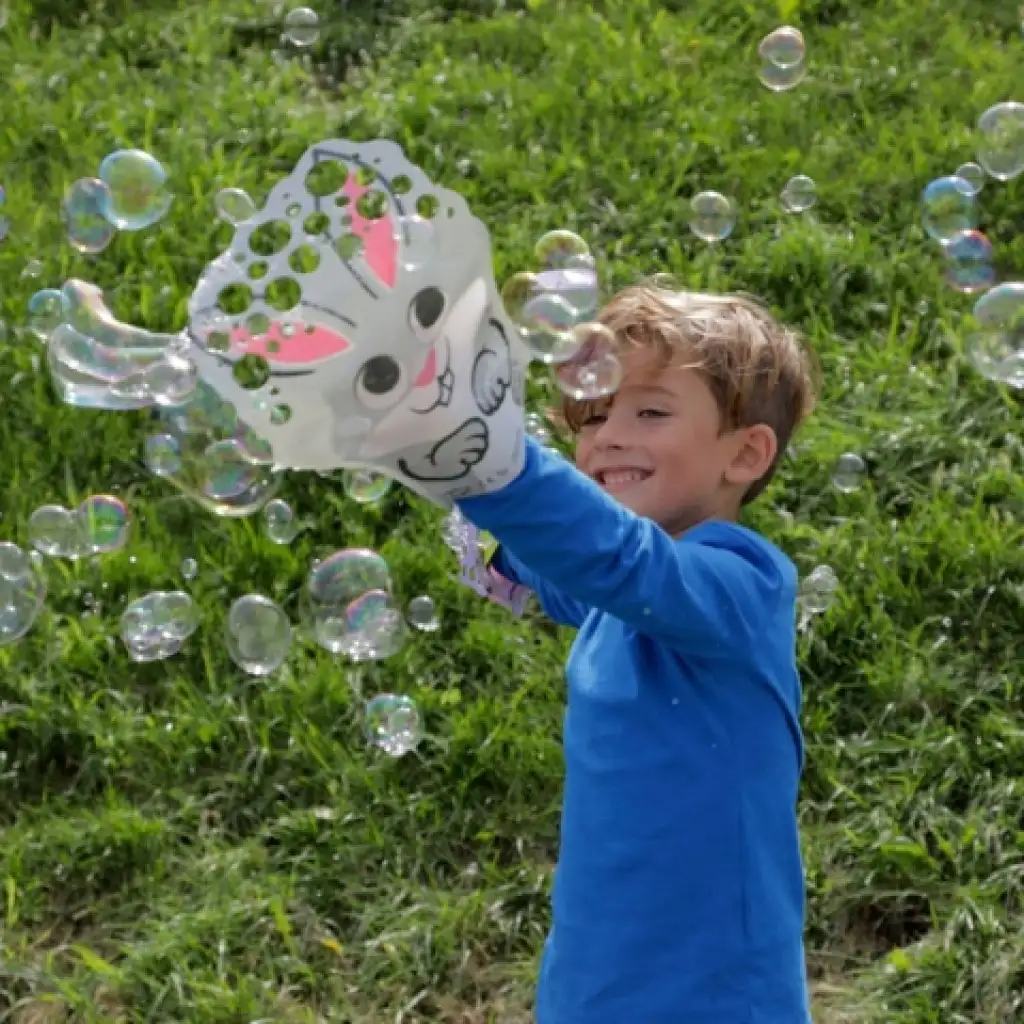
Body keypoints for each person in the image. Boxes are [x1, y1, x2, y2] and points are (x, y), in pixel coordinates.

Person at [456, 282, 820, 1024]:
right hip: (598, 974)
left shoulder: (736, 586)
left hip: (713, 992)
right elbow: (579, 576)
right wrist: (502, 549)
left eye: (649, 411)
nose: (607, 437)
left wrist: (492, 462)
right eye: (593, 416)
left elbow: (616, 561)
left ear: (745, 452)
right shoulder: (628, 600)